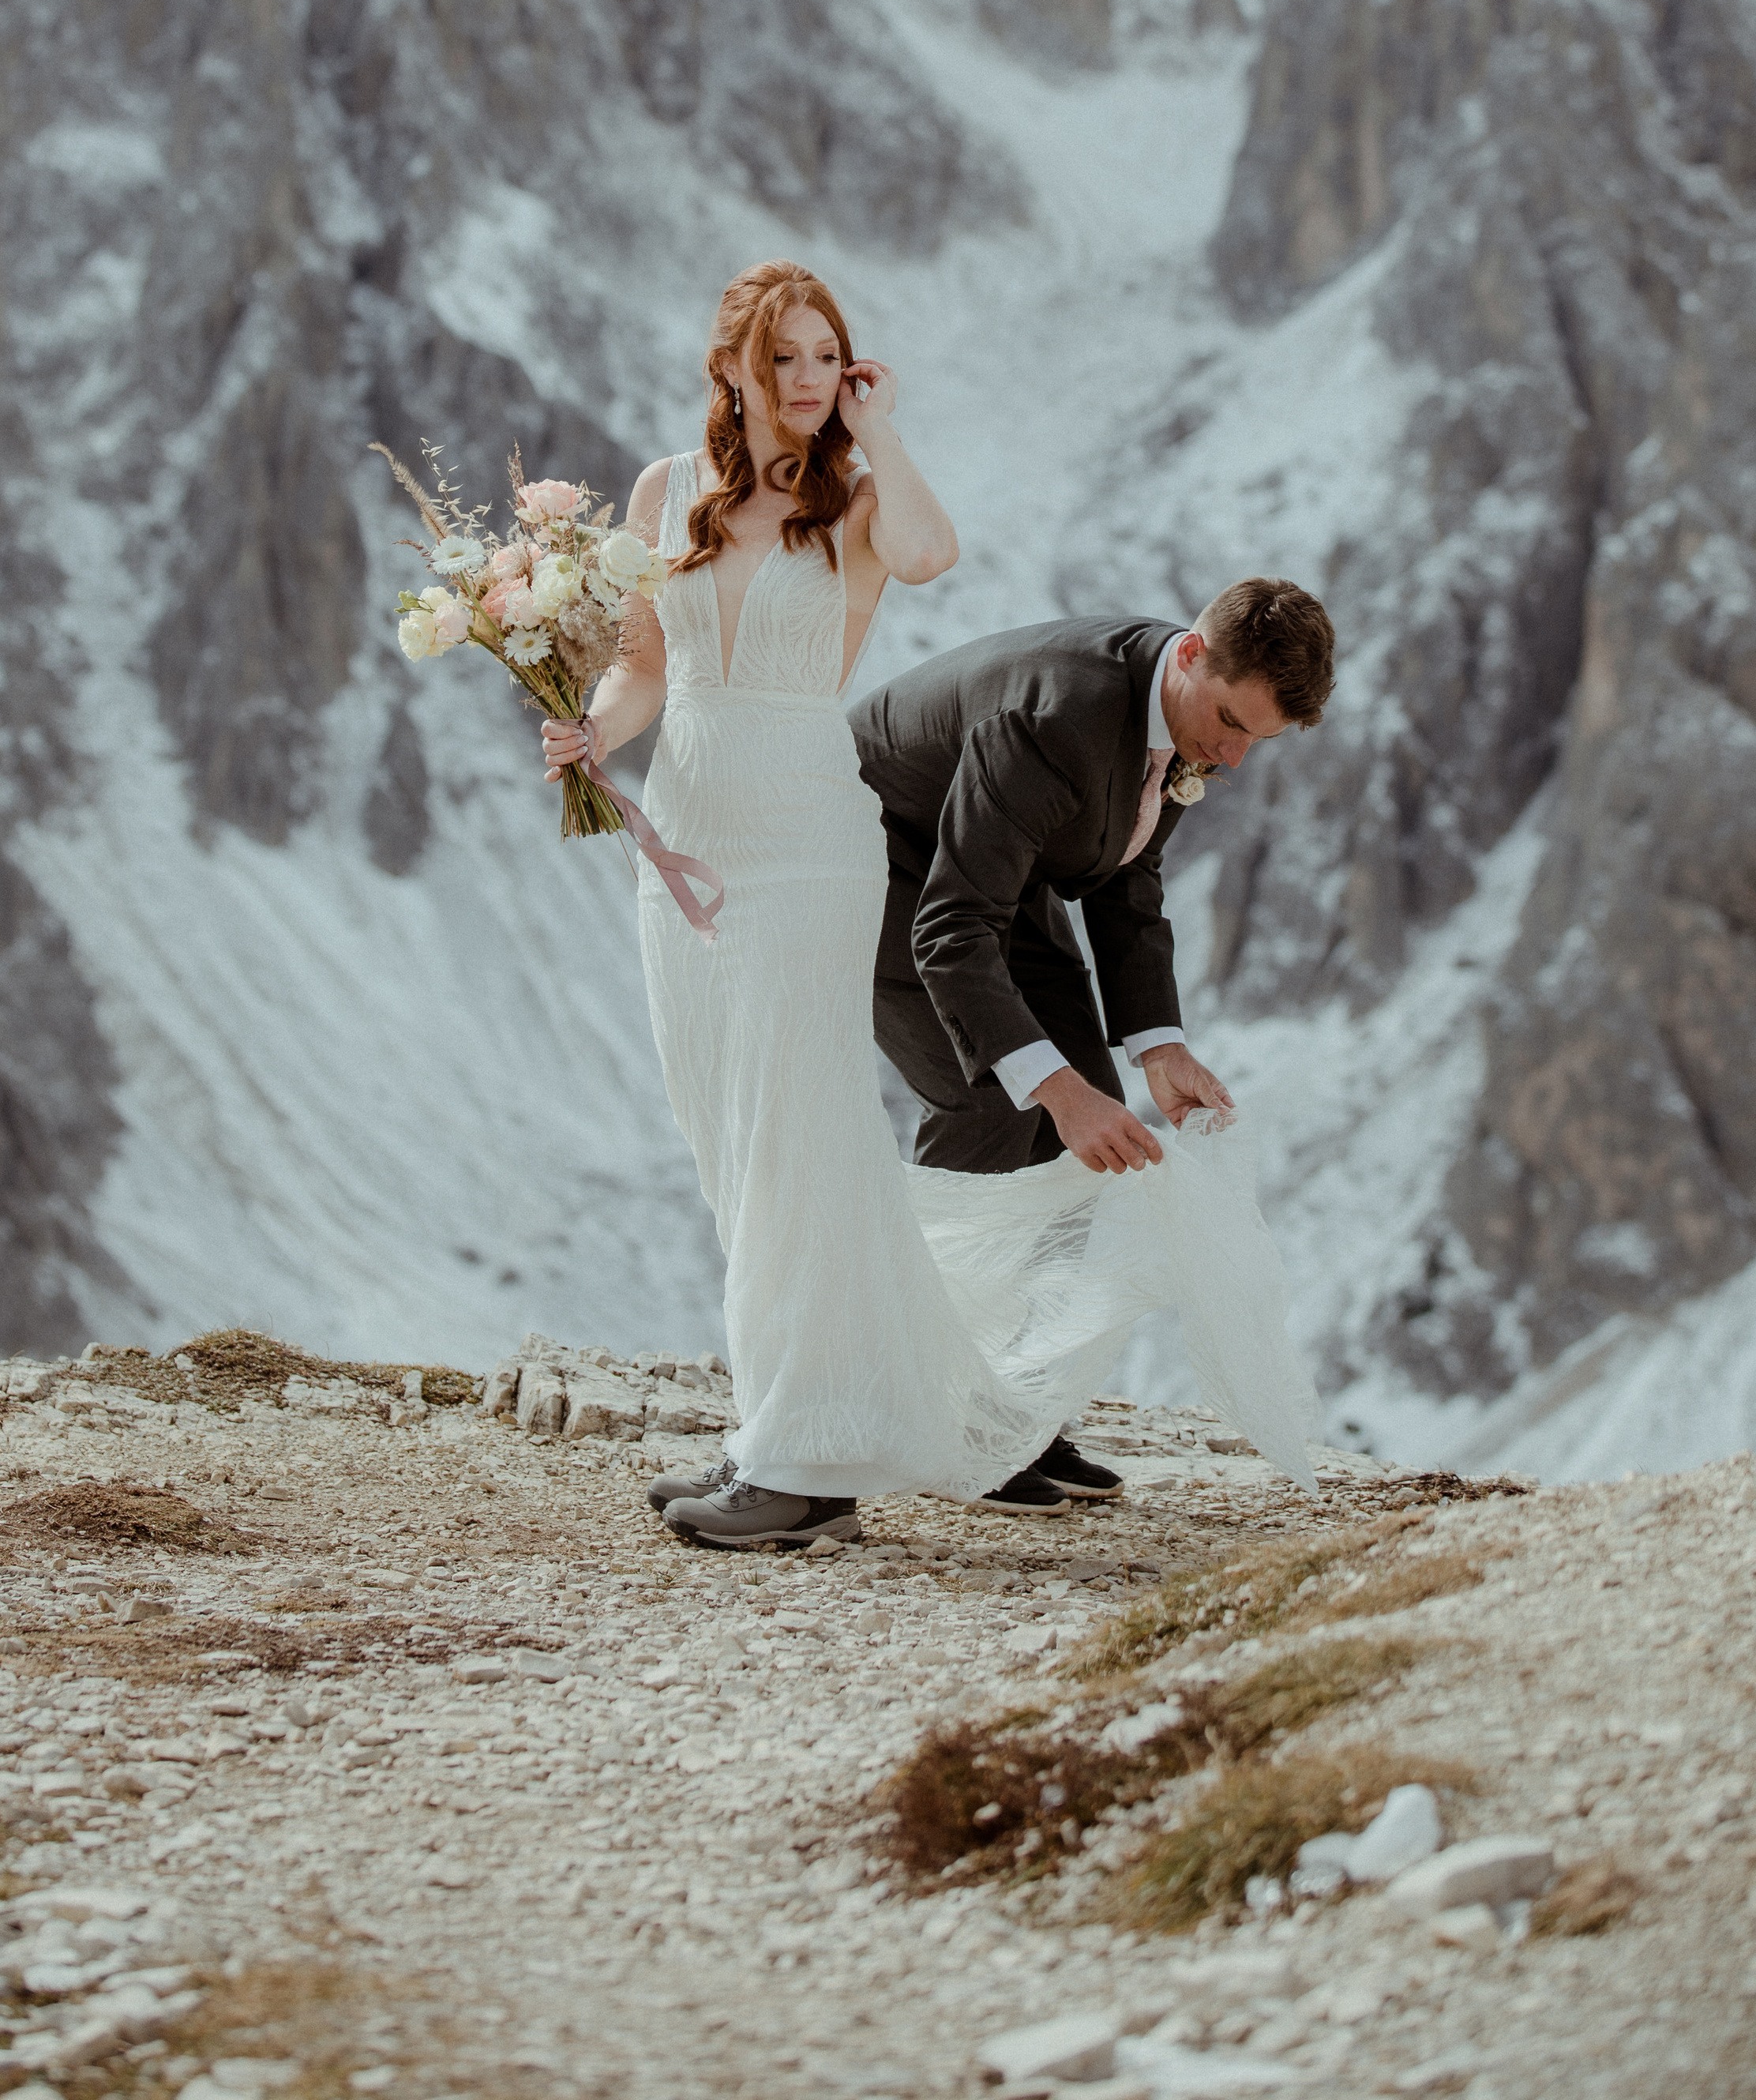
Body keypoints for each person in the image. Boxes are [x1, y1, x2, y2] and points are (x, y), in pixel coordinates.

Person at [543, 259, 1323, 1550]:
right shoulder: (663, 495)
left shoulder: (853, 496)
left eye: (823, 357)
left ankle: (812, 1463)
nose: (802, 381)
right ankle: (824, 1425)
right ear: (731, 364)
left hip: (811, 848)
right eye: (782, 358)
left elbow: (931, 551)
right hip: (685, 844)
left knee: (807, 1145)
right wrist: (587, 732)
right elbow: (641, 667)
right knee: (732, 1146)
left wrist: (876, 424)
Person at [851, 584, 1337, 1506]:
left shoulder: (1186, 722)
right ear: (1191, 655)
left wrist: (1157, 1047)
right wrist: (1058, 1093)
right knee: (999, 1097)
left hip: (995, 865)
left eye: (1253, 743)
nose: (1230, 758)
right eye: (1230, 725)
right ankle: (919, 1406)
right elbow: (951, 928)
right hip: (877, 862)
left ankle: (1009, 1415)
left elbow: (1126, 876)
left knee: (1087, 1108)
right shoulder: (1056, 716)